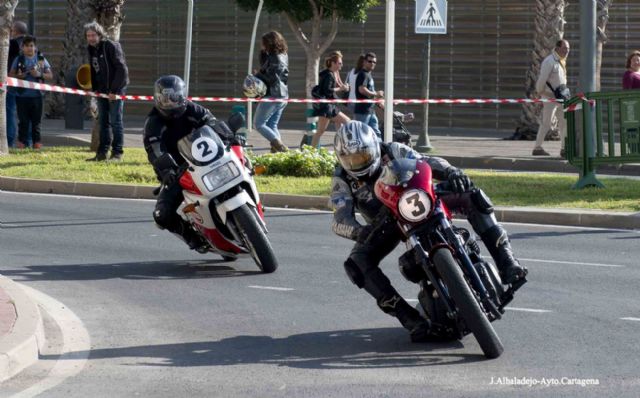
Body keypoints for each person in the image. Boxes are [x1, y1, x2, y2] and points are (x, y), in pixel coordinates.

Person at [330, 121, 527, 342]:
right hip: (387, 222)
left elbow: (426, 160)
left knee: (473, 194)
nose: (358, 163)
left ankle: (508, 262)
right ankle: (409, 318)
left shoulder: (393, 149)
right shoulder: (342, 179)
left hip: (420, 197)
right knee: (355, 264)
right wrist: (358, 232)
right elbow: (340, 217)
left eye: (363, 156)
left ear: (374, 147)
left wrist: (452, 172)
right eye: (351, 160)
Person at [143, 75, 236, 251]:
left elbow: (212, 122)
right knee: (161, 215)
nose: (170, 103)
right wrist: (166, 170)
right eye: (165, 99)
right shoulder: (153, 122)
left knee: (241, 161)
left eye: (174, 98)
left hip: (208, 160)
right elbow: (154, 149)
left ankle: (254, 203)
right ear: (157, 99)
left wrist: (230, 136)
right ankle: (192, 237)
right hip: (179, 172)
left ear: (183, 96)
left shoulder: (193, 109)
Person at [84, 21, 129, 162]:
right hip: (101, 91)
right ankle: (101, 153)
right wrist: (94, 90)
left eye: (93, 35)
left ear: (100, 34)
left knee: (116, 121)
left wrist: (115, 91)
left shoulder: (111, 46)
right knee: (103, 122)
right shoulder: (91, 49)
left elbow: (122, 69)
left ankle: (117, 153)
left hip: (116, 90)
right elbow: (95, 70)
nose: (91, 38)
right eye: (88, 35)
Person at [8, 35, 52, 150]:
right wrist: (19, 76)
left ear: (35, 47)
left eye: (31, 46)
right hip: (21, 96)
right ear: (22, 47)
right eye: (26, 46)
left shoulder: (41, 59)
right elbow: (11, 75)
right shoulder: (18, 59)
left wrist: (39, 74)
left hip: (37, 96)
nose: (29, 48)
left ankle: (36, 144)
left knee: (36, 122)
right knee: (23, 121)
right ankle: (22, 144)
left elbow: (50, 75)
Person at [253, 31, 289, 153]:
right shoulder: (283, 55)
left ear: (269, 43)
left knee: (258, 124)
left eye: (263, 43)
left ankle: (279, 147)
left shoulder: (274, 58)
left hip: (272, 95)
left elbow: (272, 78)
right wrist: (263, 54)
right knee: (272, 125)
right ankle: (278, 152)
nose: (261, 45)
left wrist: (257, 75)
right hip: (282, 95)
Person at [533, 39, 570, 157]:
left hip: (561, 98)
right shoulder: (549, 61)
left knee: (564, 122)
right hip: (550, 98)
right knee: (547, 123)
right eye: (564, 48)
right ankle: (537, 148)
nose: (566, 51)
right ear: (557, 48)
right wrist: (541, 92)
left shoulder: (561, 61)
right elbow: (542, 80)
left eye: (568, 49)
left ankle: (564, 149)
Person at [310, 51, 351, 148]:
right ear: (333, 63)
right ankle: (312, 150)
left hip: (329, 106)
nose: (341, 65)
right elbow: (327, 90)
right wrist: (341, 89)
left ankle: (341, 146)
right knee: (347, 121)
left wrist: (342, 88)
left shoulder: (329, 73)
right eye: (339, 63)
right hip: (327, 107)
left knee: (323, 130)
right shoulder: (329, 75)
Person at [6, 21, 29, 148]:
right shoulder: (31, 44)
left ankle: (9, 142)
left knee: (10, 112)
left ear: (14, 31)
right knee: (26, 113)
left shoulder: (12, 44)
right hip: (28, 85)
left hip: (12, 83)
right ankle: (27, 142)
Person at [354, 52, 384, 138]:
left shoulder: (368, 75)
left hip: (370, 110)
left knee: (376, 133)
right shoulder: (363, 74)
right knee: (361, 135)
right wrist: (376, 94)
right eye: (370, 61)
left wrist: (378, 99)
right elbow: (361, 89)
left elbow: (370, 91)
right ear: (364, 62)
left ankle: (380, 150)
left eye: (374, 62)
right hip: (362, 111)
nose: (372, 64)